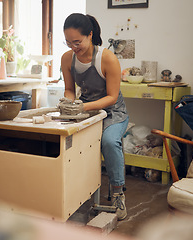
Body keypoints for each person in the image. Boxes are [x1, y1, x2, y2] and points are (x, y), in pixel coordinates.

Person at [60, 13, 129, 220]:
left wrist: (82, 107)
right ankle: (76, 193)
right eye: (68, 42)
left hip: (113, 111)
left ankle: (118, 194)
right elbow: (69, 89)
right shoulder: (67, 58)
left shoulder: (107, 58)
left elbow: (111, 97)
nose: (73, 47)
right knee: (69, 138)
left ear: (90, 35)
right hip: (85, 109)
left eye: (77, 42)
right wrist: (69, 102)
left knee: (108, 141)